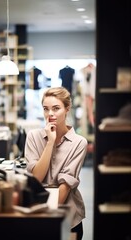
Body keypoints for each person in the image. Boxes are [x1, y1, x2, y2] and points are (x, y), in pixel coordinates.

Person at [25, 86, 88, 240]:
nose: (50, 114)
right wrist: (50, 143)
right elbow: (36, 177)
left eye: (56, 108)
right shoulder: (33, 136)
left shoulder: (79, 142)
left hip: (67, 214)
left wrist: (48, 219)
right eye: (46, 109)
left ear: (67, 109)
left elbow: (65, 186)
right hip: (37, 211)